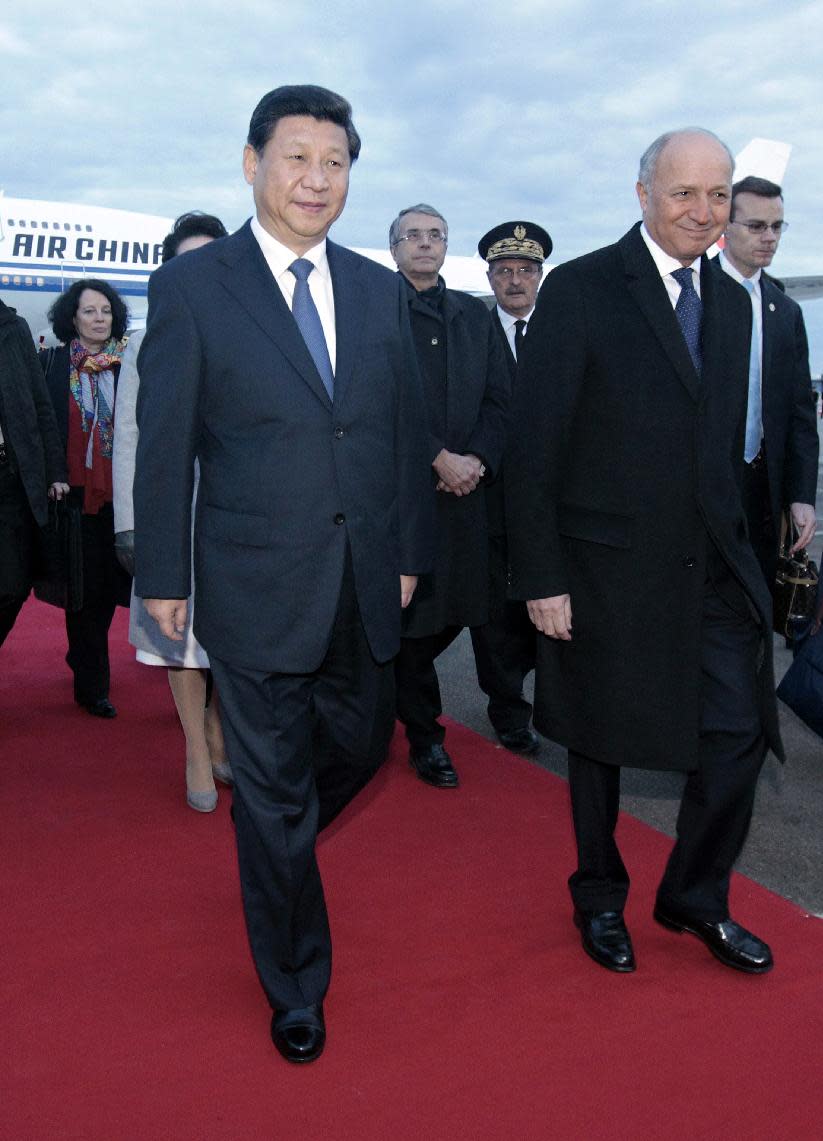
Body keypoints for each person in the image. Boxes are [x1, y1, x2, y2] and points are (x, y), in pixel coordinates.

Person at [132, 85, 433, 1064]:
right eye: (296, 156)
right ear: (251, 162)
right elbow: (166, 443)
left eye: (335, 161)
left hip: (363, 579)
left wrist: (407, 557)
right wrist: (162, 576)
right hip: (252, 577)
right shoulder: (193, 288)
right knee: (270, 787)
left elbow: (396, 438)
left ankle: (277, 837)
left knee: (354, 748)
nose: (316, 177)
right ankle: (297, 978)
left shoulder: (381, 287)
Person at [506, 128, 783, 976]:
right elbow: (533, 446)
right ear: (641, 195)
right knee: (598, 741)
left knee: (739, 733)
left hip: (711, 567)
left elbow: (732, 449)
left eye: (716, 195)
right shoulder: (583, 289)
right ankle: (598, 895)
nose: (703, 213)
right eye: (683, 194)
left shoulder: (733, 304)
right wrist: (541, 575)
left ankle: (694, 895)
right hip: (603, 570)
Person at [112, 212, 231, 813]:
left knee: (233, 636)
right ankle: (194, 746)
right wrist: (132, 525)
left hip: (240, 512)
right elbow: (131, 437)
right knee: (178, 637)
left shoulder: (252, 330)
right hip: (174, 510)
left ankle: (217, 728)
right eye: (188, 259)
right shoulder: (146, 338)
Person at [389, 204, 510, 788]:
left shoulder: (474, 314)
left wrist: (477, 461)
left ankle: (396, 696)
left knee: (461, 610)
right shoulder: (371, 311)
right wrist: (436, 456)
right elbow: (373, 402)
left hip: (467, 493)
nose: (425, 244)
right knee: (410, 619)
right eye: (412, 235)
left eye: (435, 235)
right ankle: (424, 736)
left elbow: (500, 400)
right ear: (394, 248)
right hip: (400, 493)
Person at [467, 220, 553, 756]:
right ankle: (508, 711)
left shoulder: (565, 329)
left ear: (541, 275)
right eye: (504, 271)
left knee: (557, 601)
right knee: (497, 611)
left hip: (554, 495)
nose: (515, 281)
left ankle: (561, 704)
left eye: (525, 270)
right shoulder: (471, 329)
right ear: (490, 277)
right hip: (492, 493)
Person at [713, 176, 818, 583]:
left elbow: (799, 411)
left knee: (759, 606)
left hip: (763, 490)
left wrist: (801, 496)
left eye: (777, 227)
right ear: (725, 226)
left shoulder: (784, 311)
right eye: (757, 226)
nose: (769, 237)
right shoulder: (695, 297)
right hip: (705, 487)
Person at [41, 279, 131, 716]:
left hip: (124, 499)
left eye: (105, 312)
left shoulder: (128, 365)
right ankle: (92, 684)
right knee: (86, 594)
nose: (99, 319)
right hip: (75, 499)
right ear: (71, 319)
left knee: (115, 589)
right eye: (89, 311)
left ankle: (84, 659)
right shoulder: (55, 365)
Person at [0, 300, 68, 647]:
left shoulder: (13, 327)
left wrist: (55, 470)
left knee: (12, 585)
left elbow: (40, 403)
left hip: (10, 475)